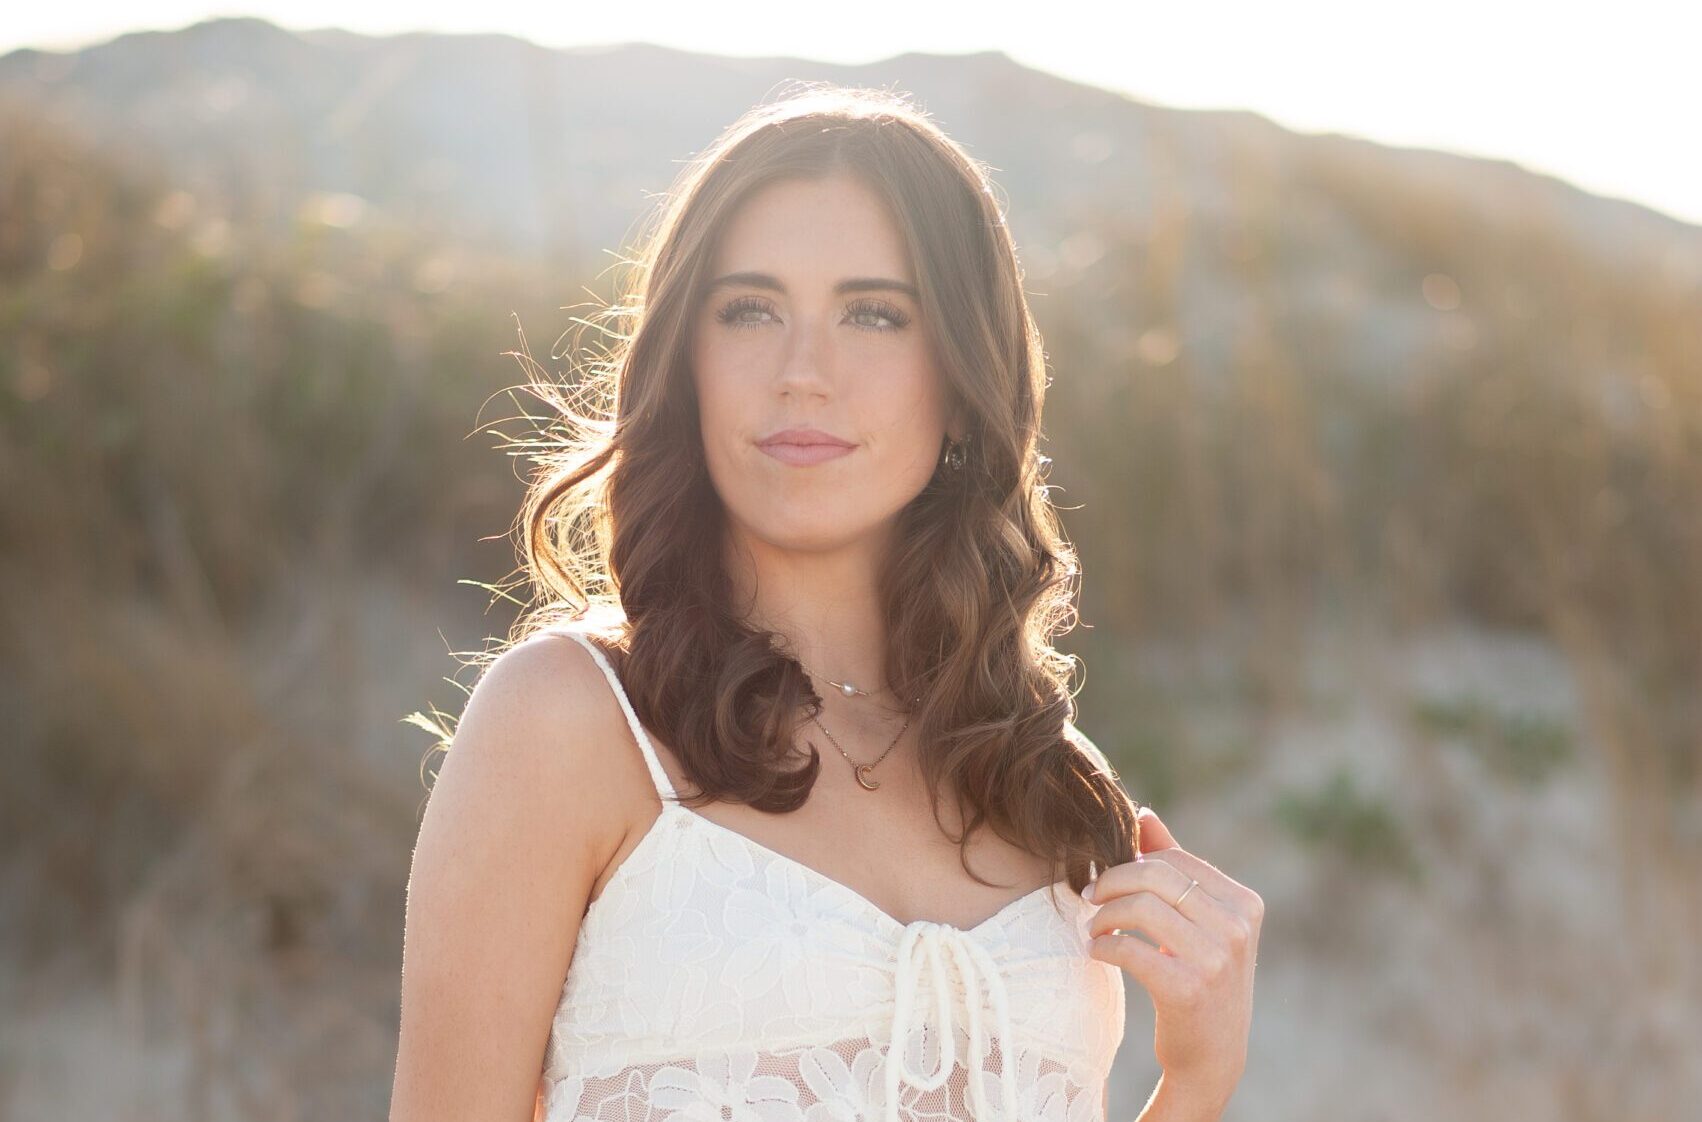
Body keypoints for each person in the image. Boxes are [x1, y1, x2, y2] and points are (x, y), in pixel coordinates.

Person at [390, 84, 1260, 1122]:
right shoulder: (570, 722)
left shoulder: (1041, 780)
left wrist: (1198, 1082)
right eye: (750, 309)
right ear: (689, 360)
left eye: (874, 313)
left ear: (959, 371)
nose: (803, 372)